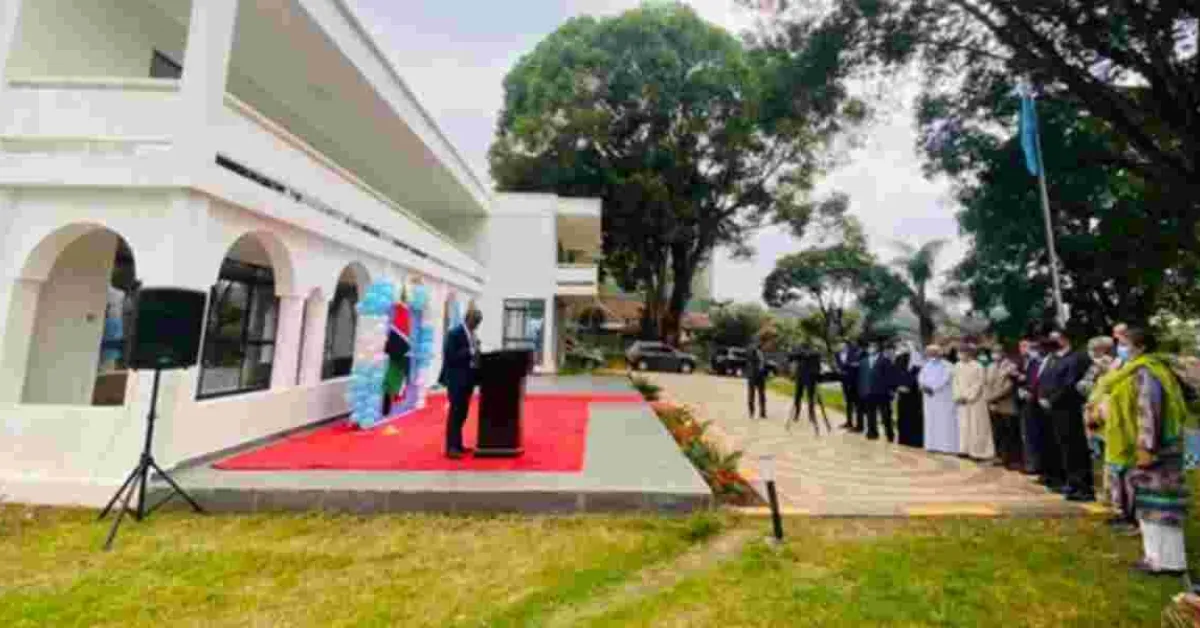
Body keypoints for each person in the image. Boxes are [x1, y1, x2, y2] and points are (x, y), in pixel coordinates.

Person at [1107, 328, 1190, 576]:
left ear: (1141, 347)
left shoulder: (1147, 372)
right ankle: (1157, 557)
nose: (1121, 348)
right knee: (1151, 503)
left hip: (1155, 447)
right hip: (1157, 445)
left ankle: (1166, 561)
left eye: (1125, 343)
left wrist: (1146, 446)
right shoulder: (1148, 369)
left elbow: (1148, 410)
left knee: (1159, 505)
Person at [1039, 330, 1095, 501]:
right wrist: (1042, 397)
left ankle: (1081, 486)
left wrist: (1052, 400)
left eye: (1055, 338)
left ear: (1064, 339)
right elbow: (1044, 379)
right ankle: (1068, 481)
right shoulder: (1054, 358)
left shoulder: (1077, 358)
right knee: (1060, 447)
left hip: (1068, 409)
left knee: (1074, 448)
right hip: (1053, 409)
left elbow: (1069, 384)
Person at [439, 307, 482, 459]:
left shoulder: (472, 334)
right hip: (456, 380)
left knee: (462, 414)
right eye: (475, 321)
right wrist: (470, 350)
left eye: (478, 322)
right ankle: (450, 448)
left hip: (468, 379)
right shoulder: (454, 333)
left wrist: (477, 351)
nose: (477, 325)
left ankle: (458, 445)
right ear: (468, 319)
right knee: (455, 414)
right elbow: (450, 356)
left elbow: (473, 355)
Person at [954, 344, 995, 461]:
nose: (960, 354)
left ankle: (979, 452)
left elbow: (979, 383)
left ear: (969, 353)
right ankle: (964, 450)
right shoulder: (957, 365)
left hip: (976, 401)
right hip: (962, 401)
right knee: (964, 425)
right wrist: (958, 396)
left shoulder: (978, 366)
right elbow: (955, 382)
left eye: (962, 352)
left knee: (977, 427)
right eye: (959, 352)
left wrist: (968, 397)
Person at [986, 346, 1023, 470]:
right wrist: (989, 399)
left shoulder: (1010, 366)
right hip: (993, 405)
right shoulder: (990, 366)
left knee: (1010, 433)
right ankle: (999, 457)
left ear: (1003, 353)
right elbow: (986, 384)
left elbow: (1009, 386)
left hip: (1007, 405)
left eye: (997, 352)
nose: (995, 354)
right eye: (993, 352)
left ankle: (1012, 460)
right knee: (997, 432)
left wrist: (993, 398)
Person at [920, 344, 959, 454]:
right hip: (929, 399)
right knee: (931, 422)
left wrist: (932, 388)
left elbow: (945, 379)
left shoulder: (948, 365)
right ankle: (932, 445)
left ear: (939, 353)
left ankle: (946, 448)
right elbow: (921, 377)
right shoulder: (926, 365)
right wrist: (923, 386)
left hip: (943, 399)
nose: (931, 354)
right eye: (929, 352)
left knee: (945, 423)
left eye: (933, 352)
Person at [857, 339, 897, 441]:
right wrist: (861, 390)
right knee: (870, 414)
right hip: (868, 392)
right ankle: (872, 433)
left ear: (878, 348)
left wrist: (891, 390)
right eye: (870, 346)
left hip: (882, 392)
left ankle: (890, 434)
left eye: (873, 346)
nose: (871, 348)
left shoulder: (885, 360)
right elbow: (861, 377)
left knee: (886, 415)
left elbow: (890, 376)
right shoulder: (863, 361)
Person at [790, 343, 829, 434]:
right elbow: (791, 357)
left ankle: (808, 415)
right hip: (804, 378)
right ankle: (800, 414)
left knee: (806, 397)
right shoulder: (805, 354)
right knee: (801, 397)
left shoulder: (812, 354)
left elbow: (818, 365)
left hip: (807, 378)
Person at [894, 344, 925, 448]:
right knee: (903, 417)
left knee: (915, 418)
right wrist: (898, 386)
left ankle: (916, 441)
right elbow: (895, 373)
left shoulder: (918, 358)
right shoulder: (899, 358)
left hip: (914, 394)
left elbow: (919, 374)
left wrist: (908, 385)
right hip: (902, 393)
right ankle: (904, 439)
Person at [835, 340, 863, 431]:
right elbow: (839, 366)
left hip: (855, 382)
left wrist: (851, 365)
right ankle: (849, 422)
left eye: (842, 344)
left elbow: (857, 364)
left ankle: (859, 425)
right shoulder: (837, 354)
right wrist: (839, 370)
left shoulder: (855, 352)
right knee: (848, 402)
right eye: (839, 344)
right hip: (844, 382)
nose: (840, 346)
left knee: (857, 404)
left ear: (847, 345)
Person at [746, 340, 768, 419]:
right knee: (751, 395)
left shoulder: (763, 352)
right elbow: (749, 357)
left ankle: (762, 412)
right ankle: (751, 412)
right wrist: (754, 349)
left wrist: (765, 373)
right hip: (753, 375)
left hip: (761, 376)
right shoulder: (752, 351)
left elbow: (764, 363)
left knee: (762, 395)